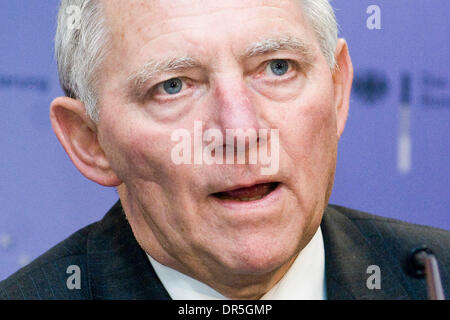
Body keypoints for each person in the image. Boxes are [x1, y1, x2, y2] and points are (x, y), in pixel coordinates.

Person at [0, 0, 448, 300]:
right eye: (172, 86)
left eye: (277, 68)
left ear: (336, 92)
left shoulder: (436, 277)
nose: (241, 131)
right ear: (90, 141)